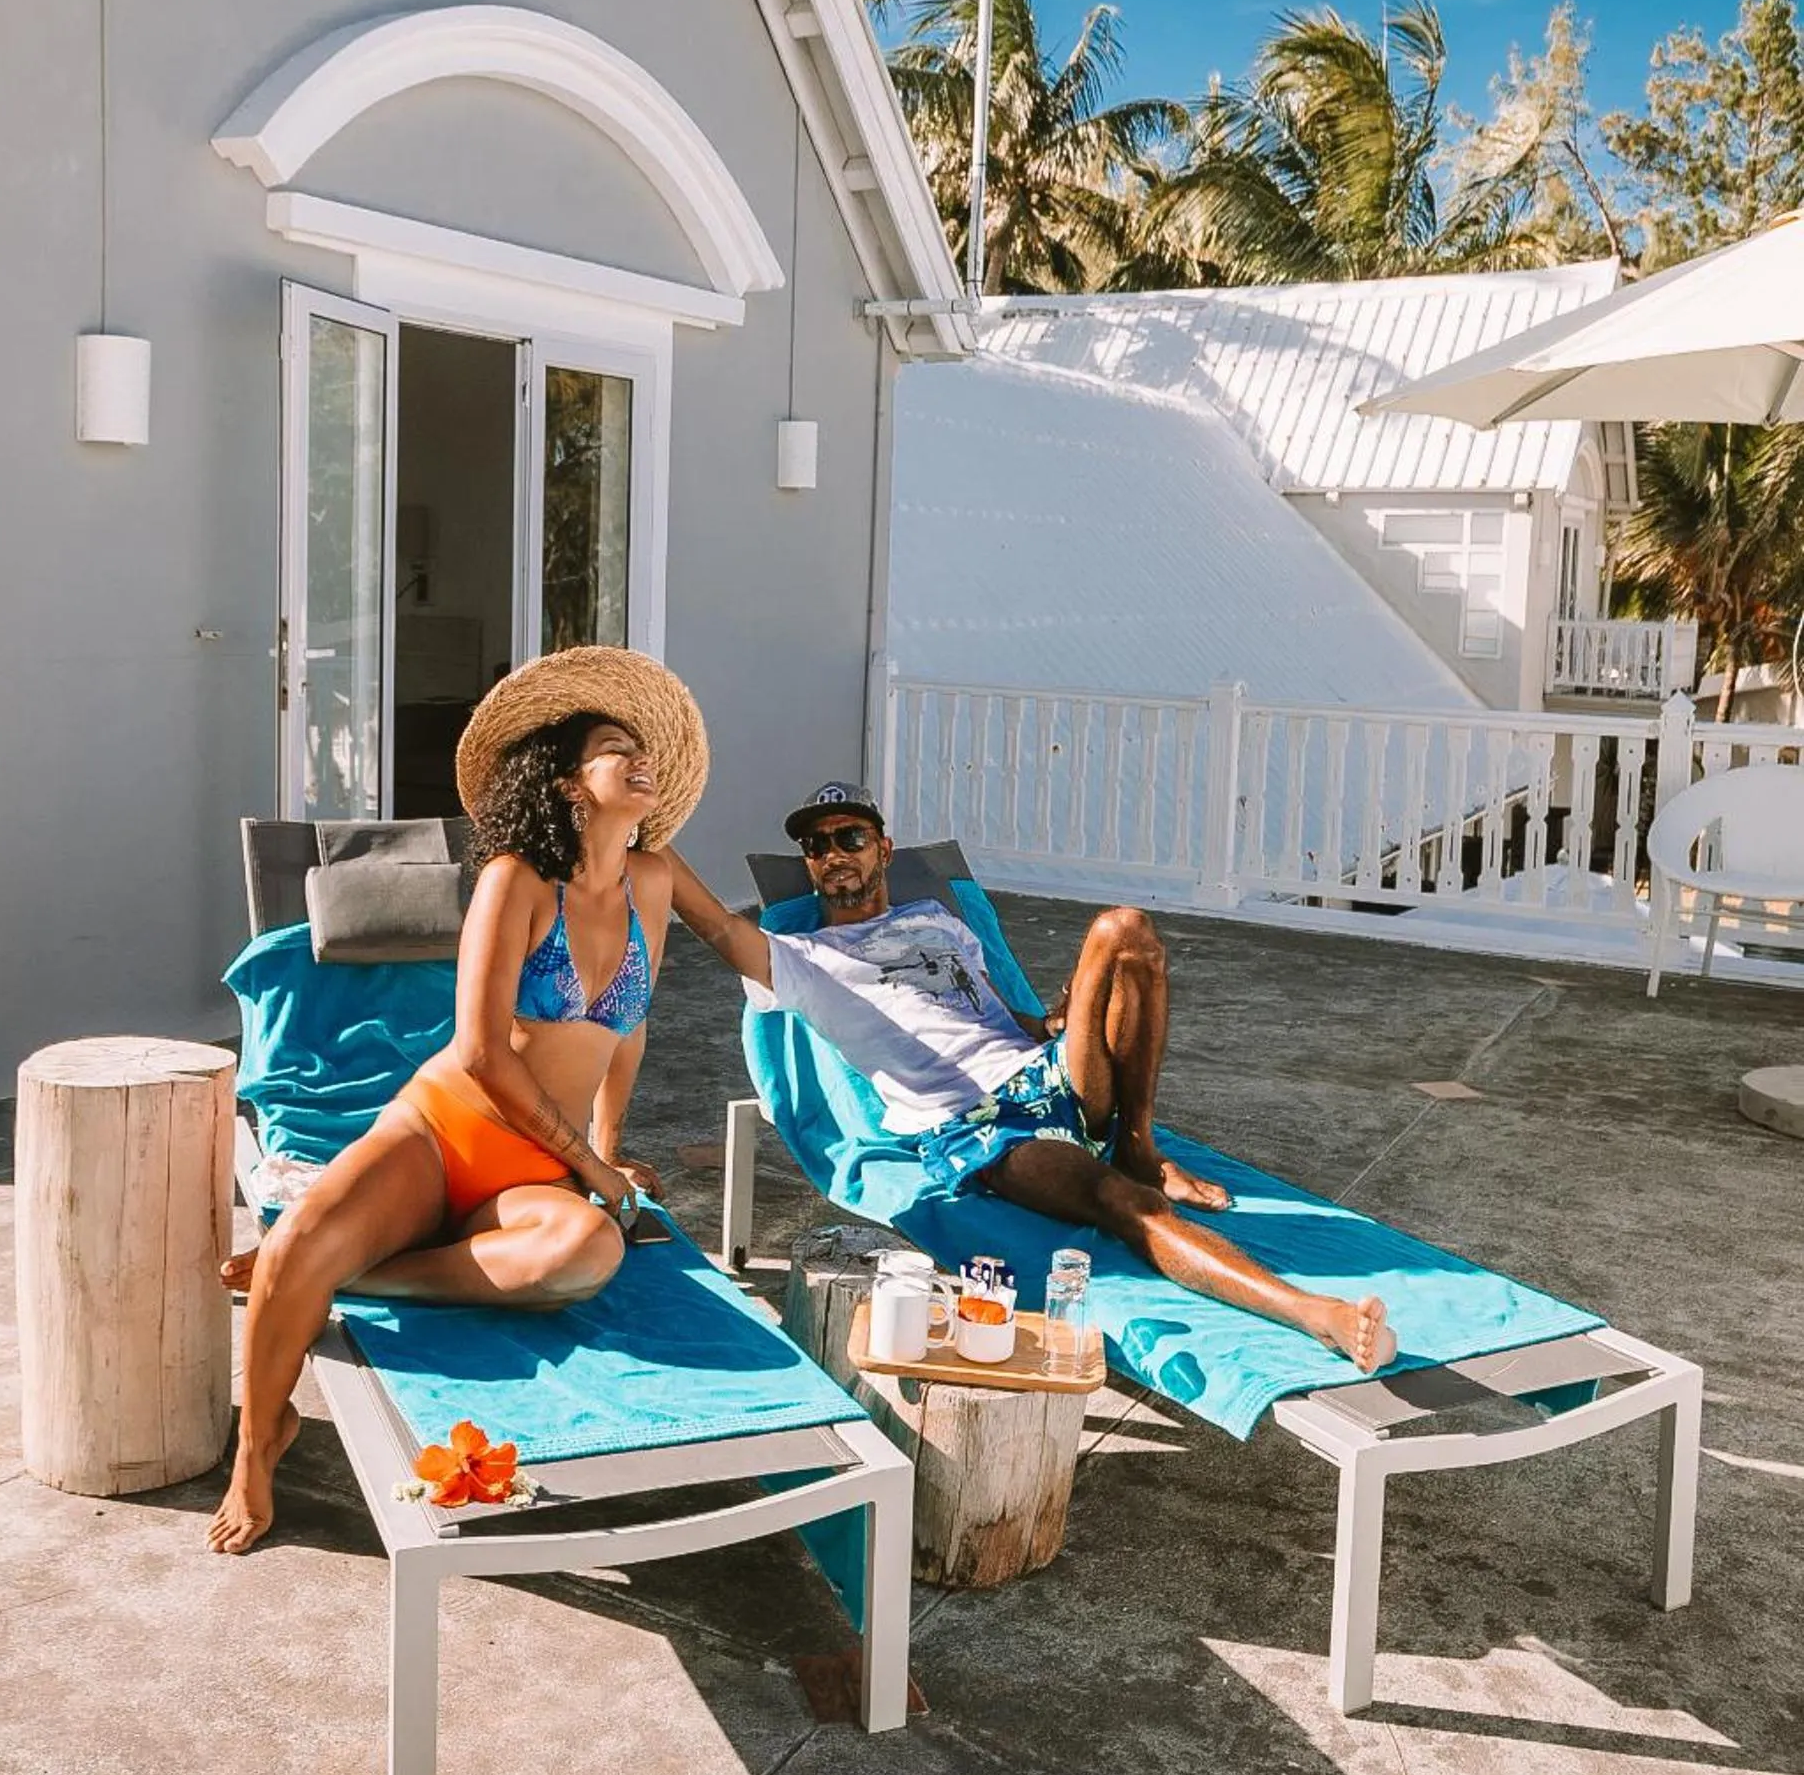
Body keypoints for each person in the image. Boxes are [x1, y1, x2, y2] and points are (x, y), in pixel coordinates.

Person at [208, 647, 709, 1555]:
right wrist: (593, 1164)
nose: (638, 758)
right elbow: (479, 1053)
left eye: (642, 746)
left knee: (585, 1254)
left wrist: (608, 1143)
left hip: (534, 1169)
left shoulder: (652, 881)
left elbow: (626, 1028)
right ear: (566, 782)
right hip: (444, 1132)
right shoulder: (515, 877)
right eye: (612, 745)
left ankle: (346, 1275)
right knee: (298, 1238)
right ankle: (258, 1444)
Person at [668, 780, 1396, 1375]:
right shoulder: (802, 958)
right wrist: (639, 830)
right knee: (1120, 1199)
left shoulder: (938, 920)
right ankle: (1313, 1311)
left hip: (1040, 1070)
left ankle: (1137, 1138)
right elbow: (708, 921)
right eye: (817, 845)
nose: (832, 855)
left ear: (883, 848)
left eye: (849, 836)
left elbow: (998, 1016)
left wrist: (1060, 1020)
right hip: (980, 1123)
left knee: (1123, 930)